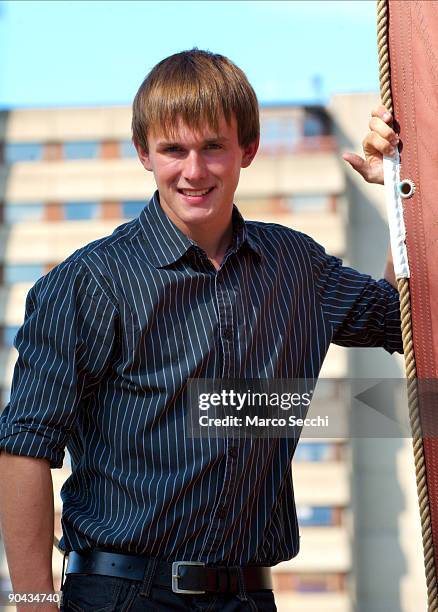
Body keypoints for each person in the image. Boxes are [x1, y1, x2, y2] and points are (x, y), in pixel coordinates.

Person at [0, 49, 401, 612]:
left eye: (213, 147)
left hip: (249, 596)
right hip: (121, 596)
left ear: (248, 149)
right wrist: (36, 606)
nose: (193, 170)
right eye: (173, 150)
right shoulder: (87, 283)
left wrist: (403, 194)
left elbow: (402, 318)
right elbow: (23, 451)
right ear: (145, 153)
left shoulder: (295, 266)